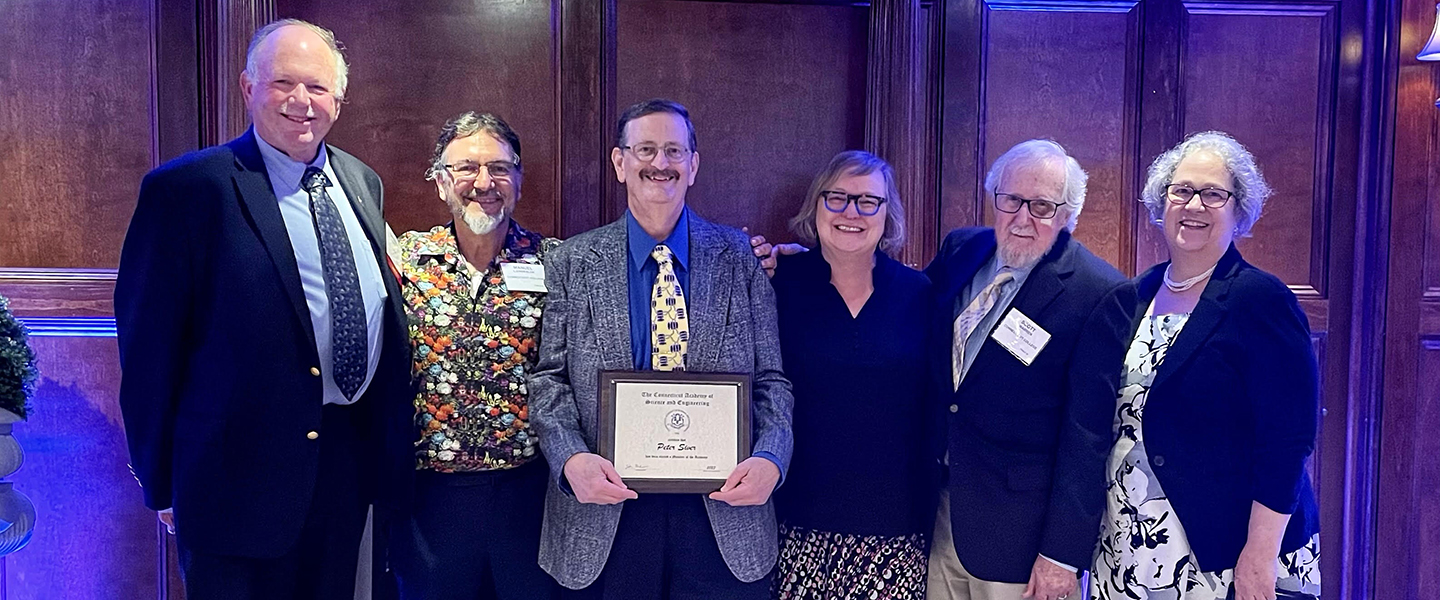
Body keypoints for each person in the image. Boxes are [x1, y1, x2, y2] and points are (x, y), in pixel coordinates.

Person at [115, 18, 413, 599]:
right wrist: (161, 483)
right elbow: (149, 351)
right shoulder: (186, 191)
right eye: (283, 83)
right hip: (232, 483)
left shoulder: (362, 181)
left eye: (318, 88)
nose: (302, 102)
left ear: (339, 100)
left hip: (344, 465)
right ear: (249, 88)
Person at [528, 99, 794, 600]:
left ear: (693, 164)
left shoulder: (739, 257)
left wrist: (771, 459)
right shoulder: (572, 260)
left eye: (674, 150)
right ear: (619, 162)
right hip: (604, 512)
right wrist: (569, 461)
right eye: (645, 149)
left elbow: (772, 379)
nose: (660, 163)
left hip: (724, 513)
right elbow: (549, 379)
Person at [1091, 131, 1320, 600]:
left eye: (1214, 194)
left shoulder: (1261, 300)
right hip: (1130, 548)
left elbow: (1288, 440)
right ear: (1163, 202)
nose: (1194, 205)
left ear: (1239, 210)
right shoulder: (1135, 295)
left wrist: (1259, 553)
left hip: (1223, 553)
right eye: (1182, 191)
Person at [922, 140, 1134, 600]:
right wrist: (818, 263)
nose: (1022, 218)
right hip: (940, 514)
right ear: (994, 196)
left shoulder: (1098, 292)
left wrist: (1061, 556)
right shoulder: (963, 249)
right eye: (1012, 200)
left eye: (1042, 206)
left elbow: (1088, 434)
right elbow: (902, 307)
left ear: (1067, 214)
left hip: (1022, 541)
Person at [389, 112, 560, 599]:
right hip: (431, 501)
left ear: (519, 181)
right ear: (441, 181)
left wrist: (744, 254)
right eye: (466, 168)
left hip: (530, 496)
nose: (484, 183)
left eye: (500, 168)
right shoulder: (404, 259)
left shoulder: (557, 261)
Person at [767, 150, 933, 600]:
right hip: (796, 522)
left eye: (867, 201)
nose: (850, 212)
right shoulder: (777, 284)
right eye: (836, 198)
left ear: (887, 212)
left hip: (895, 529)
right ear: (815, 206)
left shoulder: (919, 294)